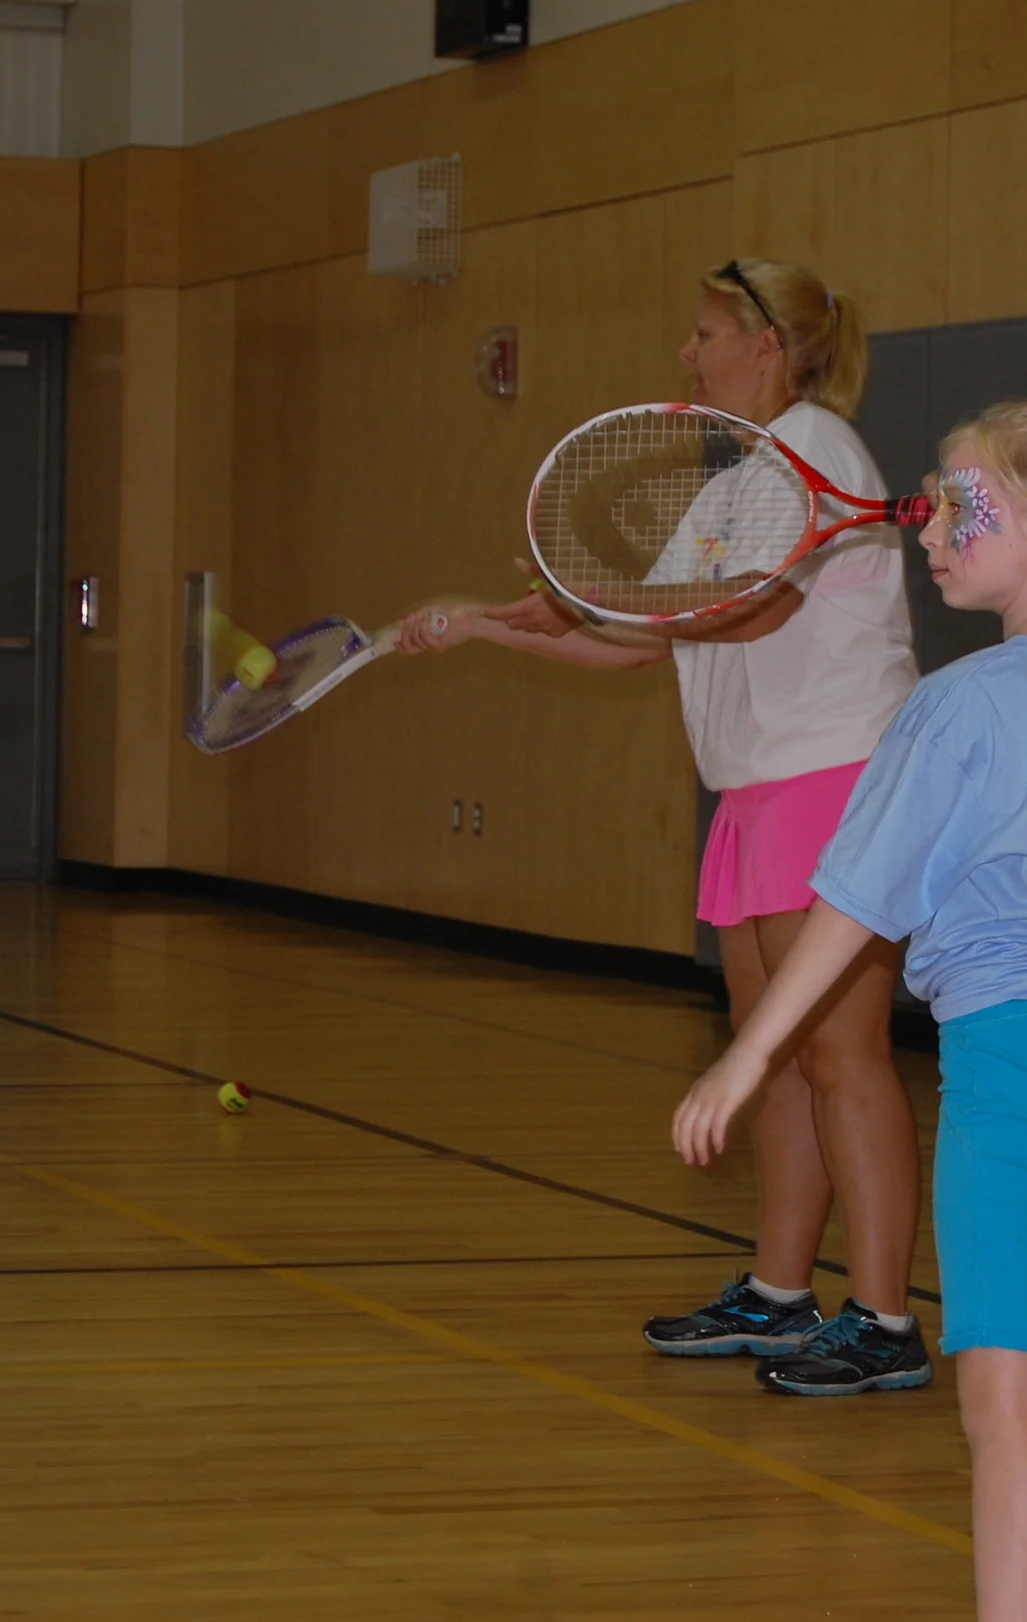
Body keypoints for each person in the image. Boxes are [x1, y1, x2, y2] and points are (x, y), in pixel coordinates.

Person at [669, 398, 1027, 1619]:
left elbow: (848, 909)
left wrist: (745, 1060)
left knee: (1004, 1413)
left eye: (965, 507)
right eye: (930, 497)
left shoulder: (960, 705)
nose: (929, 528)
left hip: (1013, 1068)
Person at [397, 258, 930, 1395]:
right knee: (771, 1055)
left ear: (766, 347)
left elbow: (748, 610)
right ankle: (783, 1296)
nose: (686, 357)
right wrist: (496, 627)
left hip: (829, 780)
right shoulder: (734, 475)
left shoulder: (817, 454)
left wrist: (604, 599)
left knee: (840, 1055)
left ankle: (883, 1319)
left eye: (702, 335)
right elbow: (658, 635)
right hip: (753, 788)